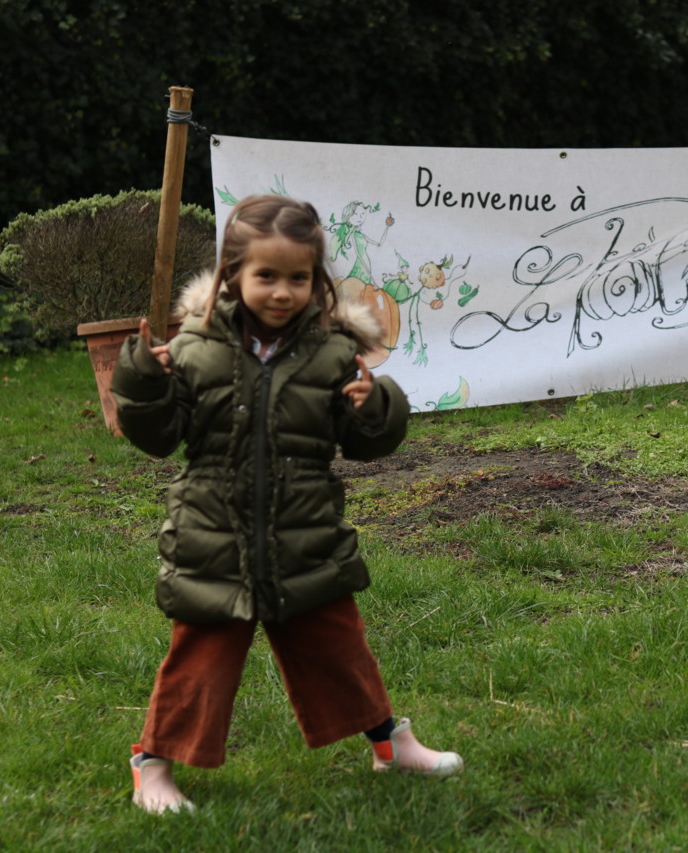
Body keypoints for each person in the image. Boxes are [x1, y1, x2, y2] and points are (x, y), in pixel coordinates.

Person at [111, 194, 462, 816]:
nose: (281, 291)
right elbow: (159, 438)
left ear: (317, 280)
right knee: (201, 656)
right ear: (232, 276)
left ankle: (390, 745)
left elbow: (366, 447)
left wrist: (373, 407)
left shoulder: (333, 355)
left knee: (338, 648)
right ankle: (153, 765)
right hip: (214, 534)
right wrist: (143, 381)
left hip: (305, 532)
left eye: (297, 277)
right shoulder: (193, 350)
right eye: (265, 276)